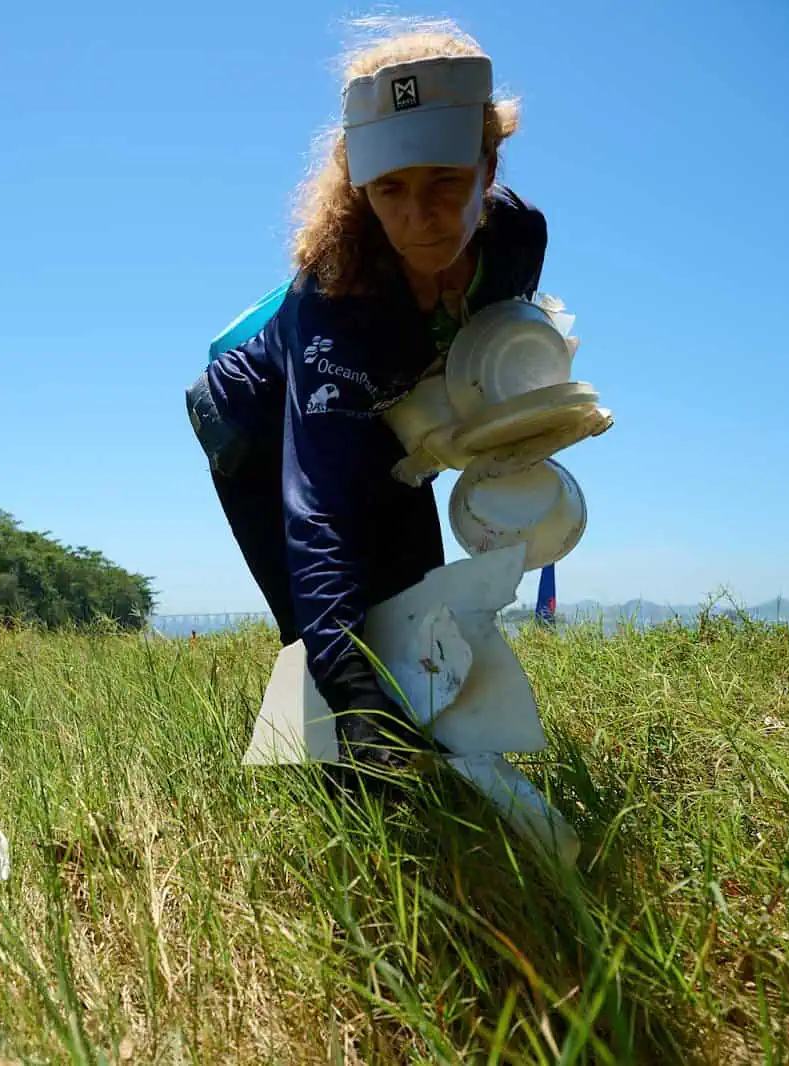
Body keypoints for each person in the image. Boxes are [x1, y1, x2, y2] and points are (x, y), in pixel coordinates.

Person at [186, 20, 548, 773]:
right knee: (333, 634)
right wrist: (354, 697)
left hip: (377, 418)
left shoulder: (516, 241)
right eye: (391, 190)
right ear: (361, 189)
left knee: (419, 608)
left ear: (488, 163)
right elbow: (319, 514)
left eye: (446, 182)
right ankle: (352, 780)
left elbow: (494, 353)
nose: (421, 218)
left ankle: (429, 765)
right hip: (258, 430)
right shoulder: (341, 302)